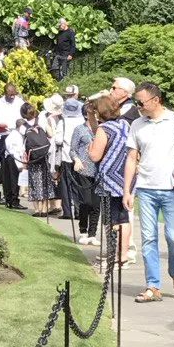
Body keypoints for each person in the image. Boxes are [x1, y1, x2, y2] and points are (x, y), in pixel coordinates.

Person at [124, 81, 174, 303]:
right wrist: (127, 190)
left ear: (156, 99)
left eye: (141, 102)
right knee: (148, 238)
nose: (138, 106)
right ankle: (153, 286)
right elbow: (131, 158)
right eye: (136, 102)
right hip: (146, 188)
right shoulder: (137, 124)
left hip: (171, 188)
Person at [87, 95, 134, 261]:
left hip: (109, 178)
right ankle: (123, 254)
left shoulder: (104, 129)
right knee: (123, 217)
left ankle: (114, 253)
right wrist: (91, 117)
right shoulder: (124, 125)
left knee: (111, 218)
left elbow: (95, 156)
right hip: (125, 175)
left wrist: (90, 149)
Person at [70, 100, 100, 244]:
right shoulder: (79, 130)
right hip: (84, 169)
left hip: (98, 171)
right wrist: (77, 160)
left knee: (96, 204)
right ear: (86, 115)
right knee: (86, 202)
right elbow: (73, 149)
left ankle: (92, 233)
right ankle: (83, 230)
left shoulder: (101, 129)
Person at [0, 81, 26, 209]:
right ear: (5, 93)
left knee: (15, 168)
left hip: (16, 135)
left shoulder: (19, 102)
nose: (12, 96)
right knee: (5, 169)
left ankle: (15, 198)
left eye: (13, 94)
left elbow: (22, 120)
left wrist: (10, 125)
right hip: (4, 135)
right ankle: (7, 198)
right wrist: (0, 125)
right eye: (9, 94)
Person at [22, 103, 55, 216]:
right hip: (44, 156)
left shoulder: (23, 126)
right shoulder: (42, 121)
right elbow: (51, 134)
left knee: (34, 183)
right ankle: (45, 209)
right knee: (45, 182)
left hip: (33, 159)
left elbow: (23, 146)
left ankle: (37, 210)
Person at [58, 84, 85, 222]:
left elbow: (58, 139)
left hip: (66, 156)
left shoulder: (62, 121)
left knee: (65, 185)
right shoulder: (82, 121)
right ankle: (79, 211)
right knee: (78, 185)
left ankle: (67, 211)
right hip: (80, 157)